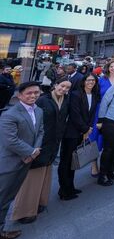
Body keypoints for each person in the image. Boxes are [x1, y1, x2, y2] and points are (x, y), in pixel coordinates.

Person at [11, 79, 70, 223]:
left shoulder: (65, 99)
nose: (64, 89)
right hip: (39, 143)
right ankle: (24, 212)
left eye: (67, 87)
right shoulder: (43, 100)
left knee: (45, 175)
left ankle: (39, 203)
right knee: (32, 177)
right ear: (55, 85)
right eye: (62, 86)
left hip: (53, 143)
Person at [0, 82, 43, 239]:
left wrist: (33, 153)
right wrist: (30, 151)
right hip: (9, 163)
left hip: (26, 161)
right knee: (2, 198)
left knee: (8, 198)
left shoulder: (39, 111)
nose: (33, 96)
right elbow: (10, 140)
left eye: (36, 93)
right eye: (29, 93)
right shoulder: (9, 114)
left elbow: (41, 132)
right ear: (19, 95)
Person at [57, 74, 98, 200]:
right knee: (66, 162)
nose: (90, 82)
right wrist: (85, 128)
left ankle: (70, 186)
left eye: (93, 80)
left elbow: (91, 114)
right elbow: (75, 114)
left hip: (83, 132)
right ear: (83, 81)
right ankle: (64, 190)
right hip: (71, 133)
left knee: (73, 162)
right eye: (88, 80)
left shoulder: (95, 95)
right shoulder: (75, 94)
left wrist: (89, 129)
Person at [89, 59, 114, 176]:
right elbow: (95, 96)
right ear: (108, 68)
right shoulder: (102, 80)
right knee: (95, 139)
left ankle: (107, 166)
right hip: (100, 113)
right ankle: (93, 165)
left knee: (110, 141)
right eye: (111, 66)